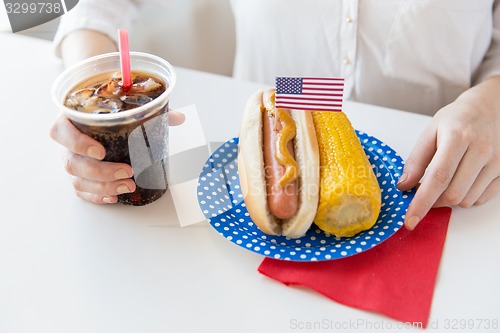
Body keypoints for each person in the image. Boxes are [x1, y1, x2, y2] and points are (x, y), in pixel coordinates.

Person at [50, 0, 500, 231]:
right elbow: (78, 5)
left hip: (449, 160)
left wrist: (493, 101)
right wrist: (95, 103)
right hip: (272, 104)